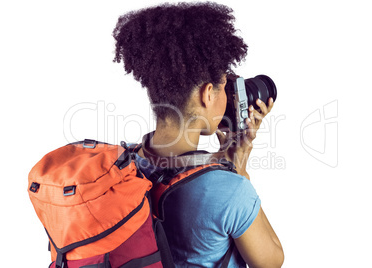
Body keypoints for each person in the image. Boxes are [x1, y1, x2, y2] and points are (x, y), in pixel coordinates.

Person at [112, 2, 284, 267]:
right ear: (207, 94)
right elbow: (271, 261)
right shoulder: (230, 191)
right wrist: (238, 171)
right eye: (225, 87)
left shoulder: (124, 165)